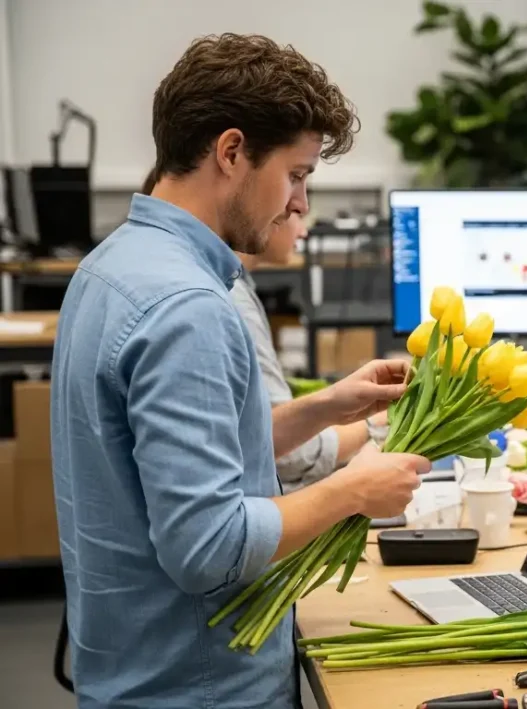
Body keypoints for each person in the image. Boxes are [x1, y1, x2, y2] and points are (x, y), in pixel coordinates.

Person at [51, 34, 431, 709]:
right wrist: (353, 489)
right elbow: (209, 547)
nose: (302, 203)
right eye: (296, 174)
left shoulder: (111, 267)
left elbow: (175, 458)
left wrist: (325, 406)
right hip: (198, 687)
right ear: (230, 152)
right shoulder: (189, 309)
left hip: (133, 674)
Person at [148, 165, 384, 493]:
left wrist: (332, 403)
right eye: (294, 177)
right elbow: (281, 453)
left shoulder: (220, 285)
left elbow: (253, 435)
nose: (298, 210)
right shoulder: (222, 298)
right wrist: (375, 426)